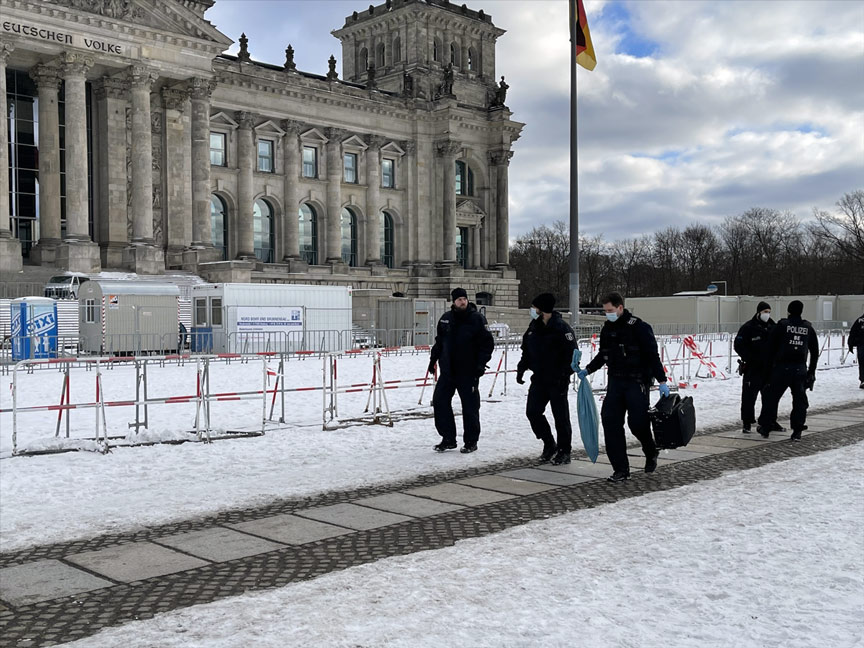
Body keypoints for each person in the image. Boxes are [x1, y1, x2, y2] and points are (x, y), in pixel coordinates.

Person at [575, 292, 670, 482]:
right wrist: (588, 370)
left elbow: (652, 355)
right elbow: (603, 354)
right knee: (610, 422)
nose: (607, 314)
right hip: (616, 382)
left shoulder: (639, 327)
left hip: (636, 382)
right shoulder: (607, 329)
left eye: (610, 310)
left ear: (620, 307)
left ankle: (650, 450)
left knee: (637, 423)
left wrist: (662, 380)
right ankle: (620, 469)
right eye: (605, 311)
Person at [428, 288, 495, 453]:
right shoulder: (446, 319)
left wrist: (480, 364)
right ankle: (448, 438)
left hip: (468, 371)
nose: (462, 302)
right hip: (448, 371)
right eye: (459, 299)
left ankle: (471, 441)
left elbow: (487, 344)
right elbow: (439, 342)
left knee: (470, 406)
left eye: (464, 299)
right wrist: (433, 360)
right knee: (439, 401)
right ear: (453, 302)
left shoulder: (477, 319)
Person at [516, 293, 577, 465]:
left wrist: (565, 374)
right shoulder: (533, 327)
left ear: (542, 310)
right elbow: (526, 350)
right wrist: (521, 368)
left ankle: (565, 451)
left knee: (561, 417)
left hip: (557, 380)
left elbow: (573, 355)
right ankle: (549, 443)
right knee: (533, 412)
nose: (532, 311)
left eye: (535, 307)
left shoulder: (561, 328)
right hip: (539, 379)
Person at [757, 300, 819, 441]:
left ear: (789, 311)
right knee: (800, 401)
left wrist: (767, 372)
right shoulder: (807, 328)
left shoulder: (782, 326)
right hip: (800, 369)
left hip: (781, 368)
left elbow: (770, 349)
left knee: (771, 398)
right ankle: (797, 430)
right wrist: (811, 371)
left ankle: (766, 427)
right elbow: (815, 351)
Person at [733, 301, 775, 433]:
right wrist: (749, 358)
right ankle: (747, 422)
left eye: (768, 312)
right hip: (753, 368)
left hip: (769, 368)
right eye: (764, 312)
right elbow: (738, 345)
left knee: (770, 397)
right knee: (749, 397)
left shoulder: (773, 326)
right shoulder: (748, 327)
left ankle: (769, 421)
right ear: (759, 312)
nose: (767, 314)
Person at [849, 311, 864, 389]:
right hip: (861, 345)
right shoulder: (859, 321)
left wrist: (850, 344)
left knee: (862, 363)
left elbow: (852, 332)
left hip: (861, 345)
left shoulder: (859, 320)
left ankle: (863, 380)